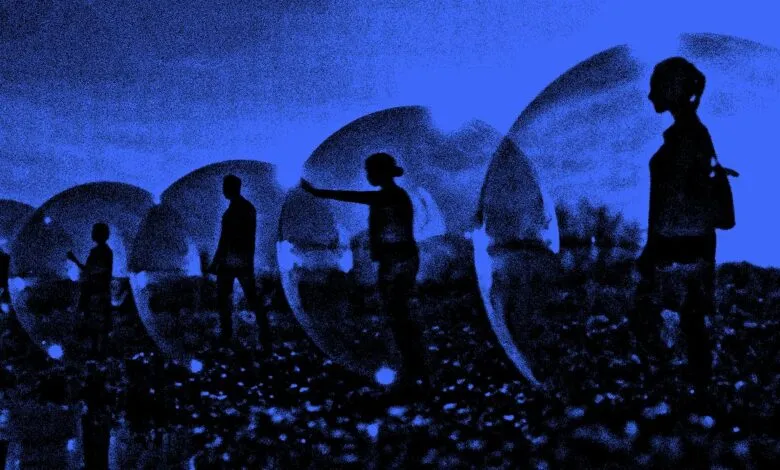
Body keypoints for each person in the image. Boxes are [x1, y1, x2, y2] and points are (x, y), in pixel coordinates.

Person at [301, 152, 429, 391]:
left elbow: (354, 197)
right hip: (398, 261)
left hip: (397, 262)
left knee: (397, 314)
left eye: (370, 171)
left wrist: (318, 193)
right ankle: (413, 365)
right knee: (398, 314)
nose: (368, 176)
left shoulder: (390, 196)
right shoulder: (392, 195)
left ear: (381, 173)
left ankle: (413, 368)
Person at [633, 57, 717, 391]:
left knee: (670, 317)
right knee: (689, 318)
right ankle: (694, 385)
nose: (650, 94)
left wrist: (653, 249)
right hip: (689, 242)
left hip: (679, 245)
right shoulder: (690, 135)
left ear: (673, 89)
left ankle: (684, 387)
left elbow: (673, 201)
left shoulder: (688, 137)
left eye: (656, 86)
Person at [207, 174, 271, 352]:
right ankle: (265, 335)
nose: (223, 190)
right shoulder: (248, 207)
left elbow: (225, 239)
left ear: (230, 188)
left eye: (225, 186)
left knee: (224, 298)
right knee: (252, 298)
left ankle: (227, 335)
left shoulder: (235, 210)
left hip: (230, 261)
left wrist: (215, 262)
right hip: (243, 261)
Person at [67, 223, 113, 356]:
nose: (92, 233)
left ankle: (97, 351)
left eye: (94, 231)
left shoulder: (100, 252)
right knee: (98, 324)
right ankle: (98, 351)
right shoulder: (106, 251)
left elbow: (90, 269)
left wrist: (73, 259)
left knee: (96, 322)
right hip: (100, 291)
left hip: (96, 292)